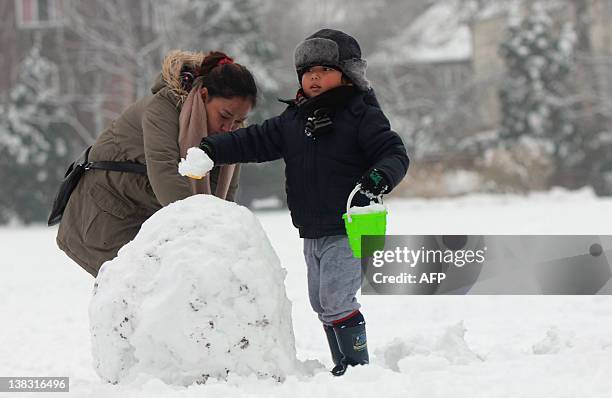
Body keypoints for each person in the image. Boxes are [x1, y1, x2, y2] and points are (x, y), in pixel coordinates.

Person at [195, 29, 409, 375]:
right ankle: (344, 363)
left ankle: (356, 367)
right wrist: (213, 148)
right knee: (321, 302)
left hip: (349, 227)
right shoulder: (294, 120)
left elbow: (393, 153)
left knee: (337, 299)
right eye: (309, 71)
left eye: (325, 70)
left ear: (348, 74)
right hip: (312, 230)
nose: (315, 77)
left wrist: (378, 178)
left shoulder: (360, 114)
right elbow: (254, 140)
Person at [56, 50, 257, 278]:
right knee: (139, 293)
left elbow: (226, 192)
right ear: (203, 95)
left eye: (238, 121)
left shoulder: (229, 132)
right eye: (224, 115)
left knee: (170, 293)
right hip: (106, 209)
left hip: (150, 213)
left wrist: (223, 238)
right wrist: (206, 233)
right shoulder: (162, 110)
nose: (229, 128)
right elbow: (166, 177)